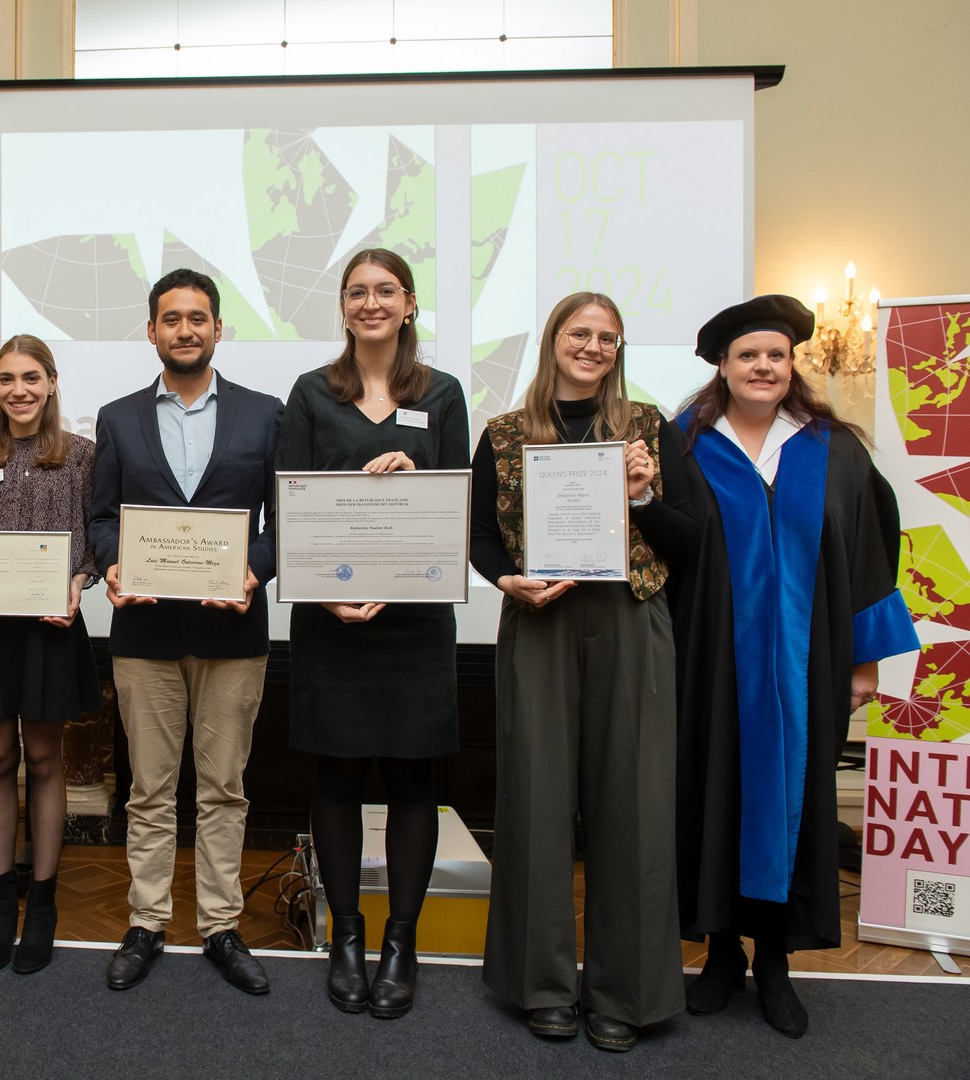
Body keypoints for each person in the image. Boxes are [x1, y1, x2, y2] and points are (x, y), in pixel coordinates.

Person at [672, 295, 917, 1038]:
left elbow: (871, 548)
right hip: (708, 662)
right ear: (724, 365)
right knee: (713, 794)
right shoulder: (685, 443)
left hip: (809, 669)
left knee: (796, 802)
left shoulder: (831, 449)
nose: (763, 367)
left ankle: (774, 960)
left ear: (791, 365)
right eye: (748, 355)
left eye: (776, 356)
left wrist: (866, 659)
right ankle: (720, 954)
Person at [471, 292, 692, 1050]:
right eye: (579, 334)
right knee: (534, 803)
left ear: (619, 349)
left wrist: (642, 495)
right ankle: (542, 986)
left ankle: (624, 994)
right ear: (553, 341)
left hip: (631, 620)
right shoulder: (503, 435)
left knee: (633, 804)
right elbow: (480, 541)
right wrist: (508, 581)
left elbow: (689, 540)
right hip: (540, 619)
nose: (592, 347)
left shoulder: (651, 430)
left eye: (607, 338)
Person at [276, 248, 468, 1019]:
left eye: (385, 290)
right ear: (343, 307)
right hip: (333, 623)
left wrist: (420, 487)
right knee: (338, 780)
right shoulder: (312, 394)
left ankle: (402, 943)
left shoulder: (443, 394)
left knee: (415, 781)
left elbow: (459, 508)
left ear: (410, 304)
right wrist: (325, 598)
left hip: (416, 624)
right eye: (357, 291)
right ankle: (348, 937)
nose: (371, 302)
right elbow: (286, 506)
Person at [88, 268, 282, 995]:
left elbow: (282, 520)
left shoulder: (265, 415)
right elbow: (103, 520)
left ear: (218, 328)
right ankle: (147, 922)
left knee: (225, 788)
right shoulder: (117, 417)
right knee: (150, 789)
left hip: (235, 633)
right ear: (152, 331)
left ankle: (221, 926)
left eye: (199, 318)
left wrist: (253, 571)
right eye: (172, 318)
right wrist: (111, 563)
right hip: (144, 635)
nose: (186, 329)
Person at [0, 335, 100, 974]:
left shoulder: (83, 455)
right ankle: (0, 901)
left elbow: (91, 540)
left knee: (44, 756)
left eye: (32, 378)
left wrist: (78, 583)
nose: (19, 391)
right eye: (6, 379)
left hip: (49, 627)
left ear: (53, 383)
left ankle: (45, 901)